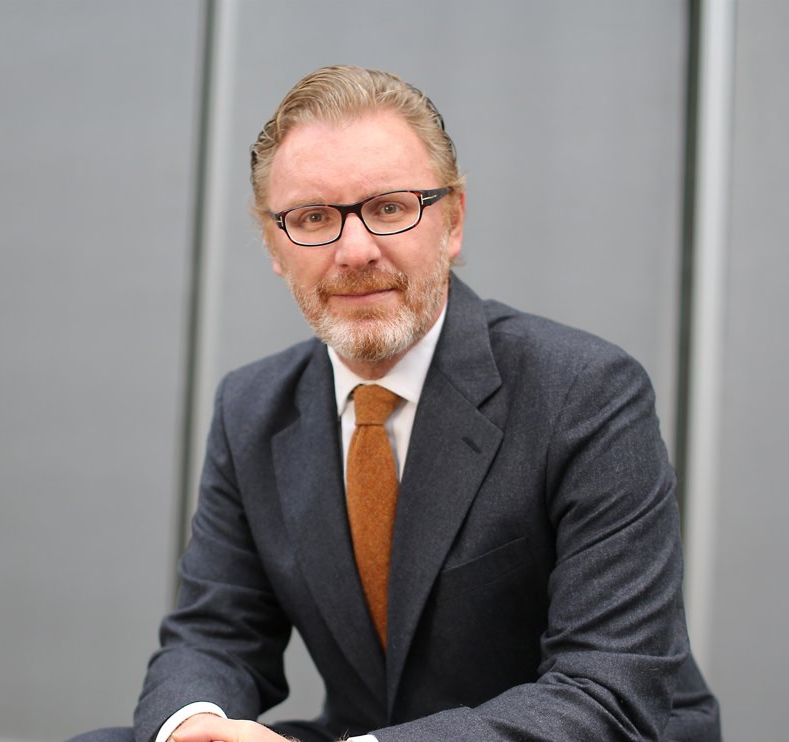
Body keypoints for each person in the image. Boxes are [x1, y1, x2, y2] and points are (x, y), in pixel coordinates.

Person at [72, 65, 720, 742]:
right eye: (313, 217)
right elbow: (214, 635)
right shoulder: (252, 407)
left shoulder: (584, 391)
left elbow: (607, 694)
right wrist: (196, 729)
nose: (354, 252)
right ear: (273, 245)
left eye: (389, 208)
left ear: (453, 221)